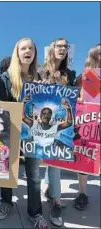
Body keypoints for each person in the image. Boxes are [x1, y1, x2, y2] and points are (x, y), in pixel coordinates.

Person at [0, 38, 49, 229]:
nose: (27, 51)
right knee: (8, 170)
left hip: (34, 135)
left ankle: (35, 213)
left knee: (34, 175)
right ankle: (5, 202)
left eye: (31, 48)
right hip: (12, 131)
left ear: (35, 53)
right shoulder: (5, 79)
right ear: (17, 53)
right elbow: (1, 109)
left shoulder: (42, 78)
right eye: (23, 48)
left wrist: (47, 91)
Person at [42, 37, 76, 227]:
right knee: (49, 159)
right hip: (42, 121)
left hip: (61, 122)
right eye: (59, 45)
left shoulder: (69, 74)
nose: (62, 48)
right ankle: (52, 195)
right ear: (52, 49)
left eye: (65, 46)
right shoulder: (41, 70)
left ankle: (55, 200)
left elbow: (73, 97)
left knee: (55, 160)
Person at [72, 44, 100, 211]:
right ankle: (83, 193)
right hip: (89, 122)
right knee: (85, 157)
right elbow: (75, 98)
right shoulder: (85, 77)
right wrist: (80, 99)